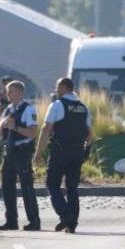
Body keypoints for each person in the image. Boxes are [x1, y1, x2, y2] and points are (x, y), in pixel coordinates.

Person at [34, 77, 92, 234]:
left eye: (58, 87)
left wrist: (38, 152)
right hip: (77, 153)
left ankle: (66, 216)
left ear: (65, 87)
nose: (56, 90)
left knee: (52, 184)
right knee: (72, 187)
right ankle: (71, 224)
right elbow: (90, 135)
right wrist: (85, 152)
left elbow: (46, 129)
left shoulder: (57, 105)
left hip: (60, 152)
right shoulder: (84, 107)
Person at [0, 80, 40, 231]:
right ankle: (11, 221)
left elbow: (32, 133)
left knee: (27, 187)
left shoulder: (28, 109)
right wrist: (1, 126)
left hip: (22, 151)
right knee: (7, 186)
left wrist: (16, 127)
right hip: (9, 151)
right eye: (7, 92)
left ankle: (34, 221)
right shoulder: (8, 109)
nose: (8, 94)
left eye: (10, 91)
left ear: (19, 92)